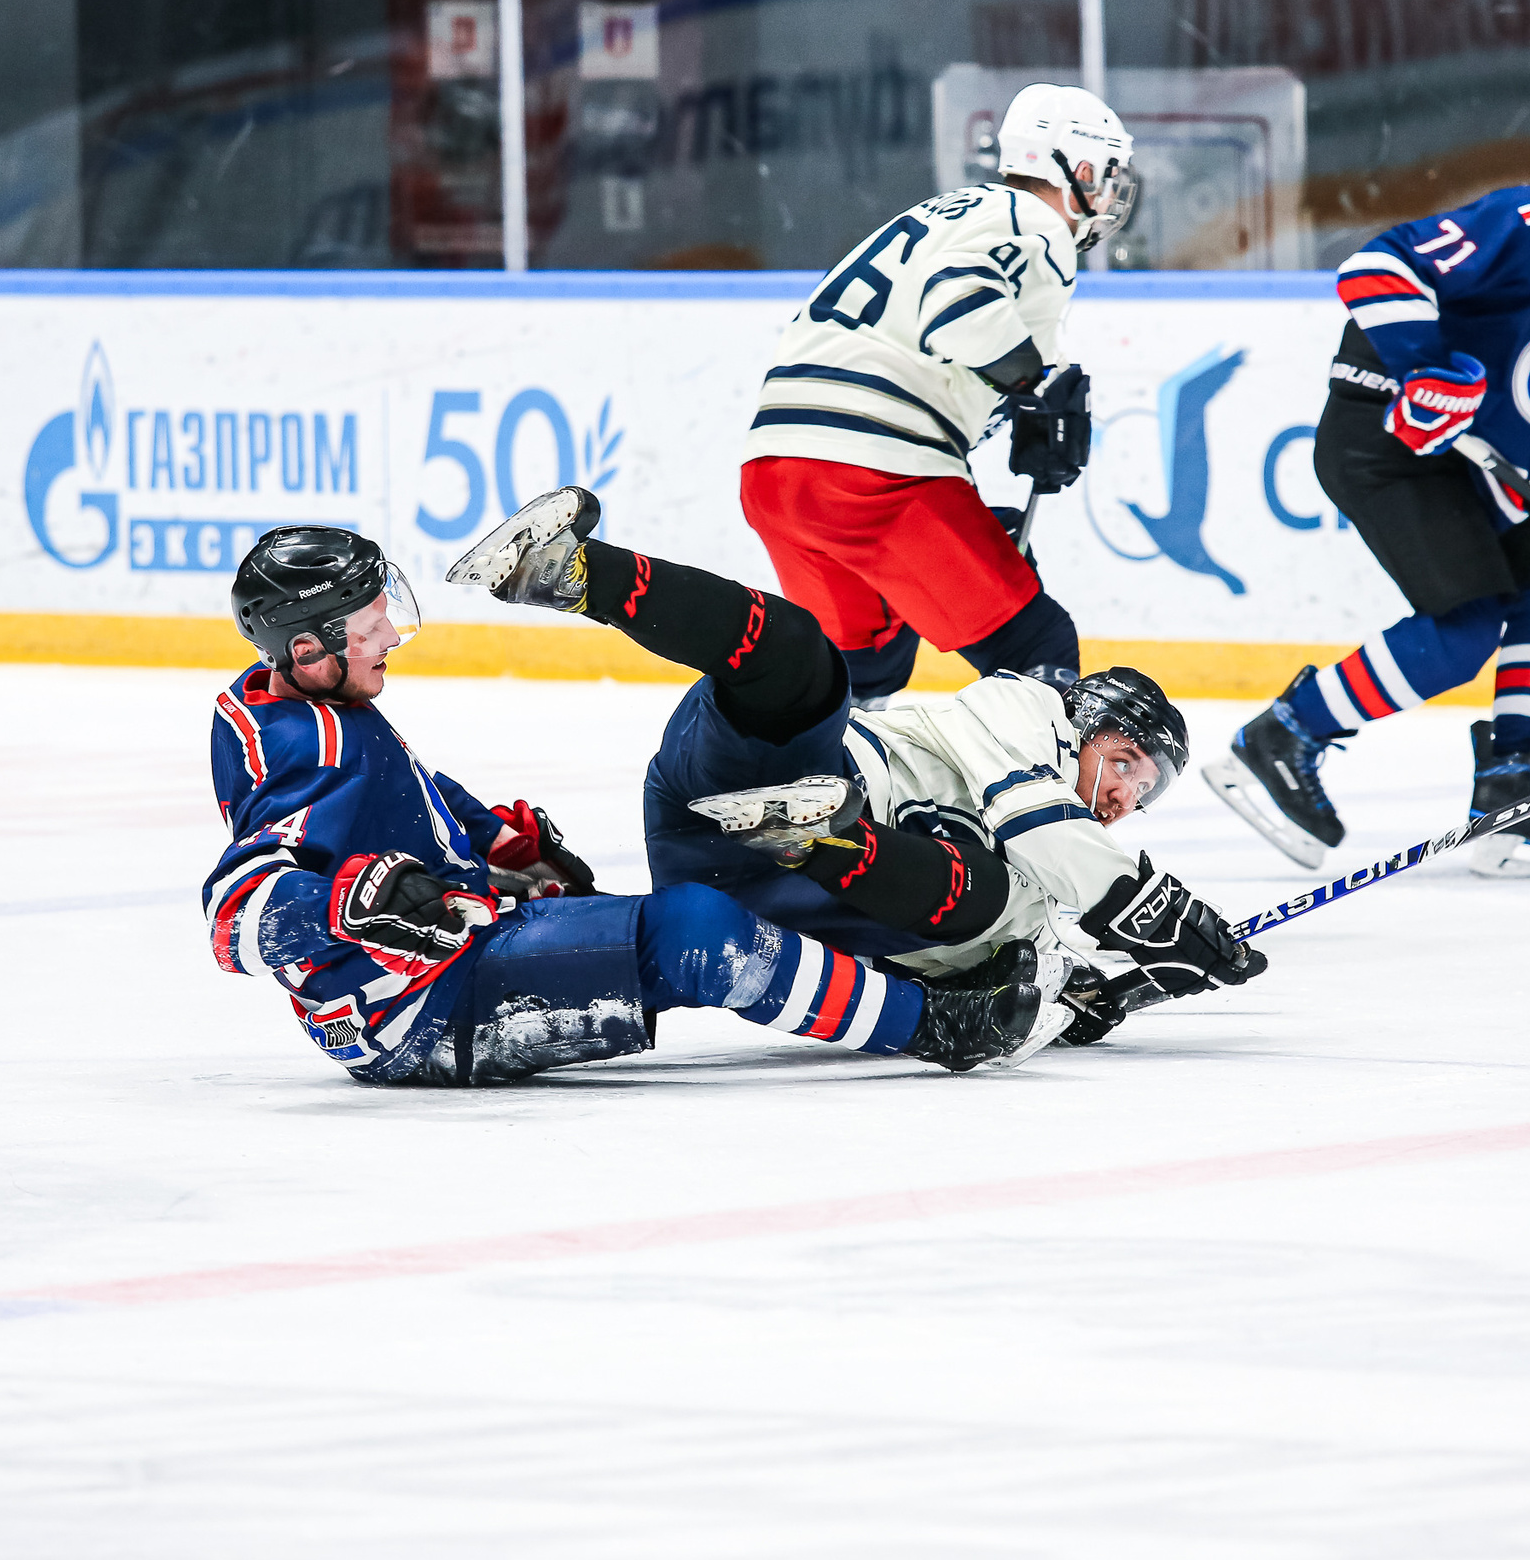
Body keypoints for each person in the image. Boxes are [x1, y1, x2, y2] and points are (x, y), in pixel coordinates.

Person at [202, 526, 1068, 1084]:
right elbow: (235, 913)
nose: (390, 634)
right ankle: (938, 1028)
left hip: (444, 960)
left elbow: (407, 791)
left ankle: (906, 978)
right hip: (414, 1011)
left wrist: (495, 841)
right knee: (697, 931)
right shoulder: (302, 746)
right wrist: (355, 902)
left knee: (707, 914)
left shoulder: (304, 704)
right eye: (368, 627)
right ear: (307, 648)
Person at [446, 486, 1264, 1045]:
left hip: (761, 913)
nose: (1124, 797)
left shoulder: (1057, 885)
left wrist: (1105, 989)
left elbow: (1033, 976)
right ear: (1084, 724)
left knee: (1005, 910)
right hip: (776, 778)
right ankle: (573, 572)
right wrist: (1156, 913)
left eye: (1144, 794)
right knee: (802, 656)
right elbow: (1036, 821)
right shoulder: (1029, 709)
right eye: (1125, 763)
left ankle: (815, 839)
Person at [1202, 90, 1530, 879]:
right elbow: (1378, 266)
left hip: (1476, 467)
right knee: (1465, 629)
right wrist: (1426, 367)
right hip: (1389, 438)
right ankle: (1282, 736)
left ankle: (1511, 787)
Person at [738, 82, 1137, 704]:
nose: (1110, 193)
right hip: (873, 472)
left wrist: (1021, 404)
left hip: (775, 470)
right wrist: (1036, 384)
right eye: (1107, 174)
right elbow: (955, 302)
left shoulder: (942, 213)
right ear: (1078, 169)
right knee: (1035, 647)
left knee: (867, 668)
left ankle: (834, 769)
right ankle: (1040, 775)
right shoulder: (1037, 224)